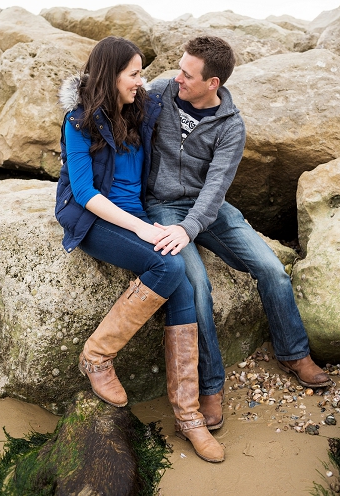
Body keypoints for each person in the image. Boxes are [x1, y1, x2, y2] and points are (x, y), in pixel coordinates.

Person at [142, 35, 331, 431]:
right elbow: (117, 107)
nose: (177, 78)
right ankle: (210, 387)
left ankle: (293, 352)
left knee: (272, 269)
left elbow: (216, 188)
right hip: (162, 206)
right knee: (197, 289)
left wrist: (188, 228)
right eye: (179, 68)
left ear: (213, 83)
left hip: (209, 210)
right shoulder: (161, 91)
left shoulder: (231, 126)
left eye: (188, 75)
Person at [55, 36, 224, 463]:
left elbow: (197, 94)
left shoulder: (143, 107)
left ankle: (189, 417)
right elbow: (86, 193)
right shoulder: (78, 121)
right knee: (168, 272)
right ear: (110, 76)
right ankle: (97, 356)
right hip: (95, 218)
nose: (141, 80)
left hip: (139, 213)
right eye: (134, 73)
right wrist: (145, 230)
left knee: (182, 285)